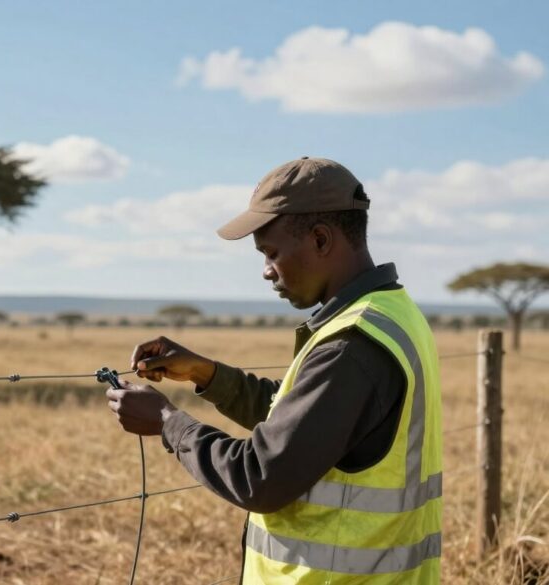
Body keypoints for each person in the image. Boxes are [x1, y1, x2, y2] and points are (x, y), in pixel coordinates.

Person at [105, 157, 442, 583]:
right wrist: (204, 373)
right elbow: (304, 422)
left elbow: (259, 478)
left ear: (321, 239)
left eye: (271, 252)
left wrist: (168, 422)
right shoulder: (389, 313)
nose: (266, 271)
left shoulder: (350, 346)